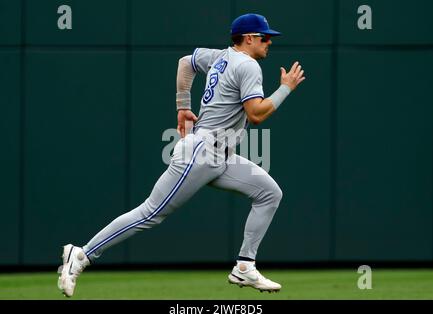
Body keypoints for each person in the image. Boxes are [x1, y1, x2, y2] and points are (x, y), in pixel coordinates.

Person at [57, 13, 305, 297]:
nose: (269, 41)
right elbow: (257, 114)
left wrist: (182, 106)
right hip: (202, 152)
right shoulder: (248, 66)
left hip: (220, 154)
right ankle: (82, 254)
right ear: (249, 38)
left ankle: (245, 266)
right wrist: (286, 88)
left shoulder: (221, 56)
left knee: (269, 193)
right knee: (150, 213)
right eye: (264, 37)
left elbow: (185, 63)